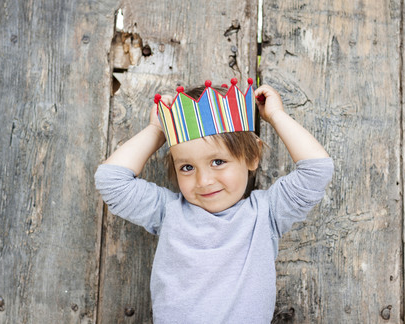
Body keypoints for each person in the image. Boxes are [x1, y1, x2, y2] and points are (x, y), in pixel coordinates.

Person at [95, 79, 334, 323]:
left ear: (253, 156)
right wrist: (156, 131)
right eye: (187, 167)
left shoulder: (266, 214)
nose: (204, 180)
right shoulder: (167, 212)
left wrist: (276, 116)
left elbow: (316, 171)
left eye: (218, 162)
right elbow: (110, 181)